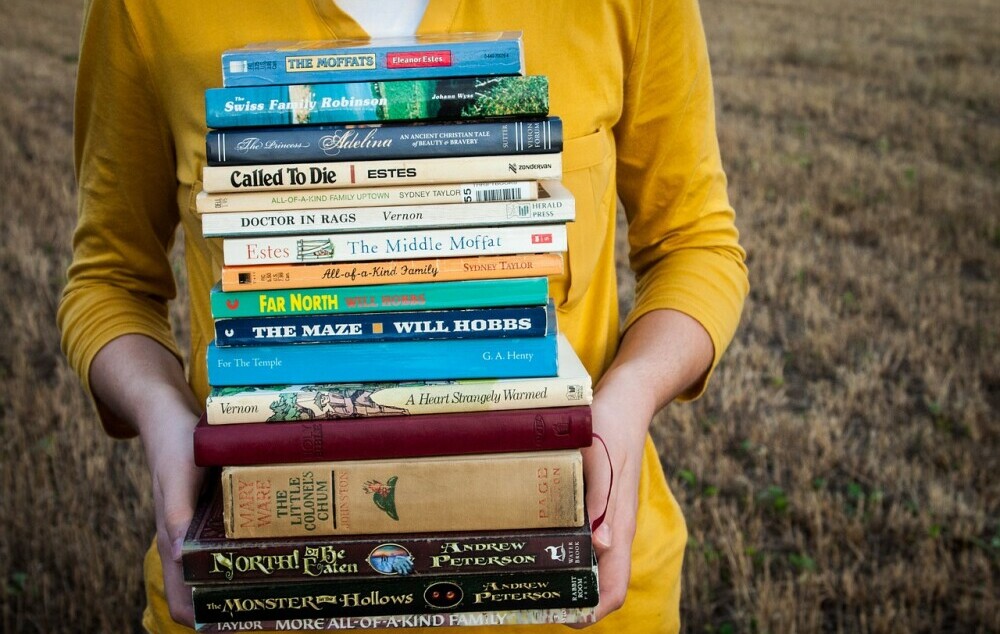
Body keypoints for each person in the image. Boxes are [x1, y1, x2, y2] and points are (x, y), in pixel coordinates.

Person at [60, 1, 748, 632]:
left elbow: (694, 245)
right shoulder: (144, 9)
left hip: (572, 574)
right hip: (265, 584)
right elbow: (111, 280)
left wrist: (629, 399)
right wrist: (161, 414)